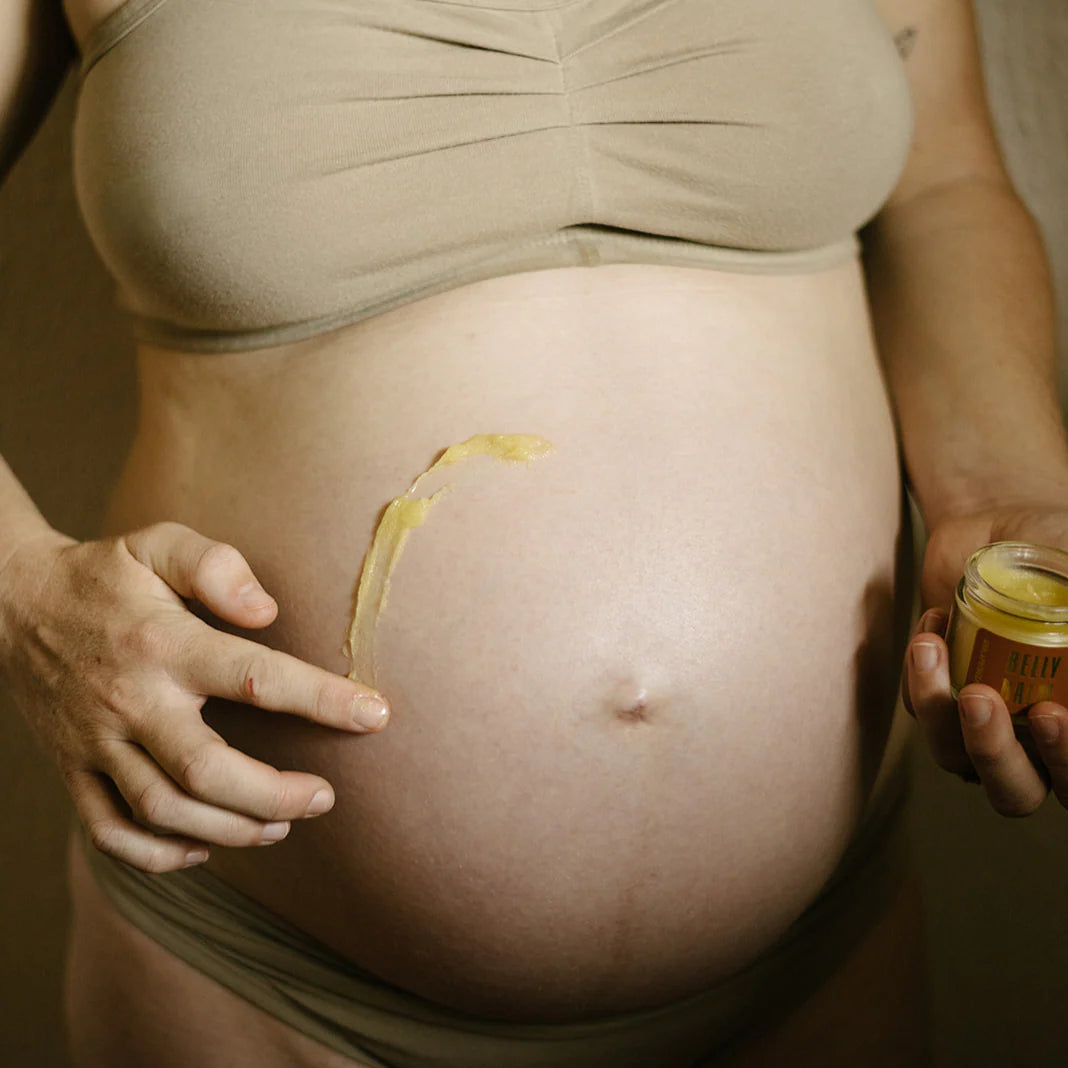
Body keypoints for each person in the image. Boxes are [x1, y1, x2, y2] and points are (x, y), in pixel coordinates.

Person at [1, 0, 1066, 1065]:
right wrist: (19, 592)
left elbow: (944, 192)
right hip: (265, 976)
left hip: (818, 965)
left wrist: (1009, 489)